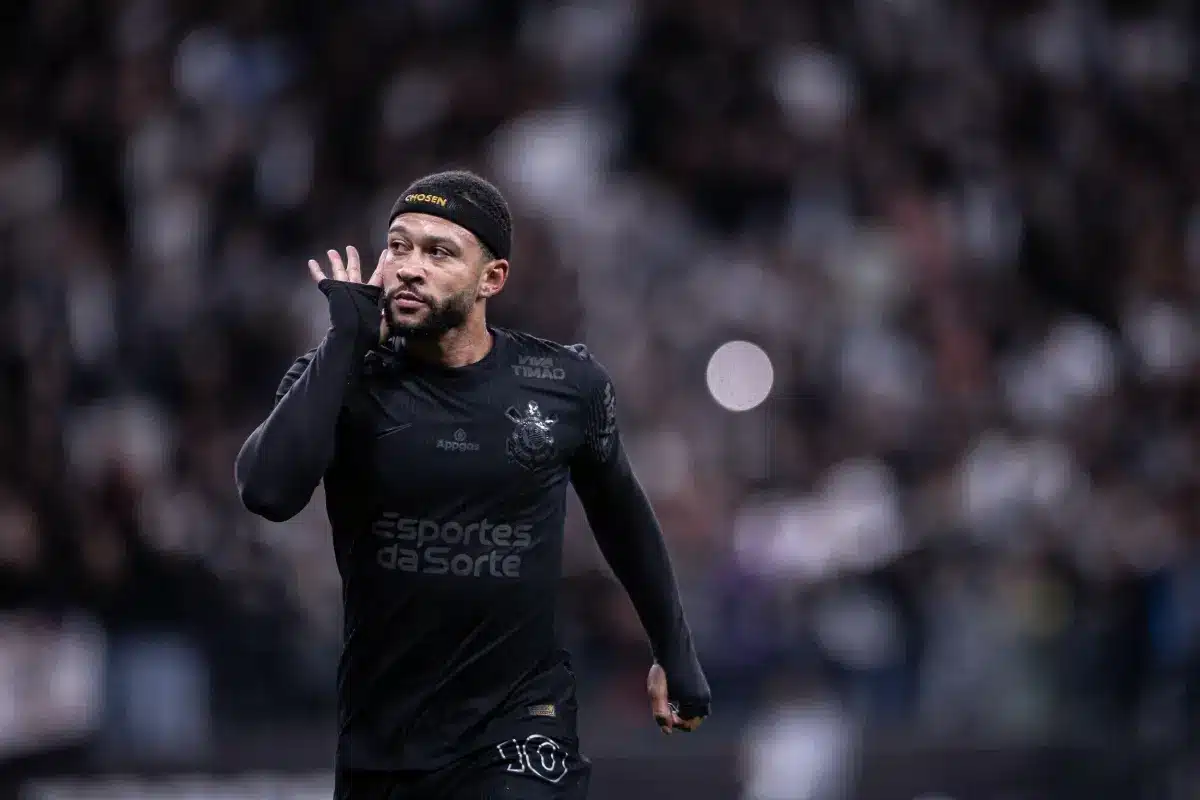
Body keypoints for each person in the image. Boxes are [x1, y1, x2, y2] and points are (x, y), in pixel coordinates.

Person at [235, 170, 710, 799]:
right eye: (398, 245)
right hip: (384, 741)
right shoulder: (341, 378)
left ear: (492, 279)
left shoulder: (565, 384)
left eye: (438, 252)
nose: (408, 267)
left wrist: (675, 653)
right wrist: (344, 339)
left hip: (520, 727)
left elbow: (621, 515)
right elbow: (267, 493)